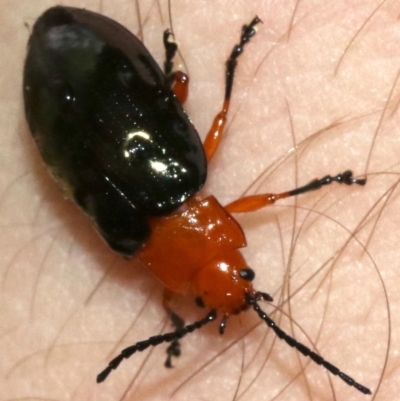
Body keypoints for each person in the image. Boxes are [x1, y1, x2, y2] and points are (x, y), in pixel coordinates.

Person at [1, 1, 397, 399]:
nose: (240, 276)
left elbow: (221, 118)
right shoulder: (128, 234)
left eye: (204, 297)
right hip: (83, 67)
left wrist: (175, 326)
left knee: (180, 85)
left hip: (80, 71)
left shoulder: (143, 218)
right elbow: (168, 294)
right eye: (246, 276)